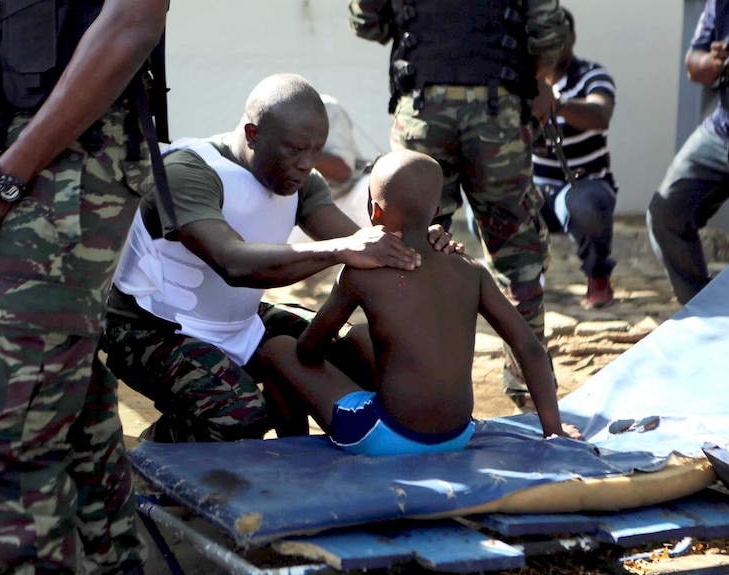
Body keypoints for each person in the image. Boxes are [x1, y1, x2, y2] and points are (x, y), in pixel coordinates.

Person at [0, 0, 170, 571]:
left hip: (64, 163)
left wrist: (7, 177)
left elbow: (133, 21)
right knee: (67, 403)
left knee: (10, 438)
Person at [101, 73, 459, 445]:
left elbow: (363, 242)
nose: (306, 164)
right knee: (238, 415)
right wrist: (340, 249)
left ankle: (295, 455)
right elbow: (233, 263)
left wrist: (421, 241)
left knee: (355, 354)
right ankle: (151, 454)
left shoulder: (298, 180)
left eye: (315, 151)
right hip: (150, 328)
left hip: (240, 322)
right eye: (294, 149)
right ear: (254, 135)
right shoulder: (187, 173)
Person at [260, 150, 582, 453]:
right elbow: (528, 347)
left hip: (387, 437)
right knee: (358, 335)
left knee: (278, 350)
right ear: (437, 210)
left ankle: (294, 455)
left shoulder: (360, 274)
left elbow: (307, 351)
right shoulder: (470, 269)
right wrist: (553, 430)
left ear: (374, 211)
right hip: (457, 434)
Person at [348, 0, 569, 410]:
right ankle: (529, 393)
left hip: (421, 112)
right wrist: (541, 78)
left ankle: (407, 386)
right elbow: (549, 29)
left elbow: (368, 23)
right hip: (498, 113)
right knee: (516, 251)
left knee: (406, 247)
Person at [532, 7, 619, 309]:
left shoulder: (592, 74)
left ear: (572, 38)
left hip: (585, 183)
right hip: (538, 187)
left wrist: (558, 103)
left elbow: (601, 113)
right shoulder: (522, 81)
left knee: (585, 204)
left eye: (560, 35)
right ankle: (527, 284)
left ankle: (598, 277)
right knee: (500, 201)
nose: (554, 43)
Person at [647, 0, 729, 305]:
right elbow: (694, 62)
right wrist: (715, 62)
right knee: (667, 213)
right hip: (722, 129)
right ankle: (705, 311)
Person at [288, 94, 373, 243]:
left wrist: (294, 151)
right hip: (303, 208)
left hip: (344, 197)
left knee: (369, 189)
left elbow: (341, 170)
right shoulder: (266, 116)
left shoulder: (324, 107)